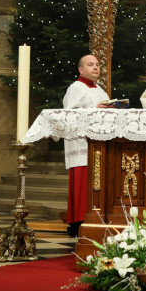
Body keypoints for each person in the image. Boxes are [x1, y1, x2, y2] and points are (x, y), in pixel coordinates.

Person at [63, 54, 110, 237]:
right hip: (81, 144)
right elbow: (69, 116)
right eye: (90, 65)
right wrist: (94, 110)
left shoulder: (100, 90)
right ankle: (79, 222)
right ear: (81, 70)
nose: (96, 67)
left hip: (99, 143)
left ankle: (96, 219)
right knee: (83, 183)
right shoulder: (76, 88)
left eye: (97, 64)